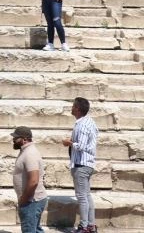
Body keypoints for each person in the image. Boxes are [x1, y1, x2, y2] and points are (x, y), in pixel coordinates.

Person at [62, 97, 98, 233]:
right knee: (87, 195)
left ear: (77, 109)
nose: (71, 108)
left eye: (73, 106)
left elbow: (81, 146)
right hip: (87, 164)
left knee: (82, 197)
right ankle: (91, 225)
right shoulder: (90, 122)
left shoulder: (82, 125)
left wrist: (69, 143)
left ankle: (84, 227)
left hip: (81, 165)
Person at [11, 126, 48, 233]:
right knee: (35, 230)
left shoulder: (30, 153)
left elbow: (33, 181)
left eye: (16, 138)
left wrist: (24, 199)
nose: (13, 140)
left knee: (29, 230)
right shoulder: (26, 151)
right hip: (33, 200)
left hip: (31, 201)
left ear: (25, 139)